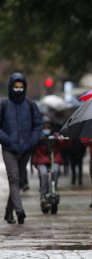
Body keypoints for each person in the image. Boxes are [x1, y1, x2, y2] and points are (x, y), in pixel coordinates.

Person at [0, 72, 42, 224]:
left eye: (21, 86)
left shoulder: (31, 105)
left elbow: (38, 126)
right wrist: (7, 139)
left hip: (25, 149)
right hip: (9, 148)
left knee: (18, 180)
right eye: (15, 86)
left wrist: (31, 141)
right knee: (14, 177)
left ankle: (8, 212)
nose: (18, 89)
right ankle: (19, 211)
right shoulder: (3, 104)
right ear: (11, 87)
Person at [31, 117, 66, 213]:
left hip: (54, 160)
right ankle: (43, 194)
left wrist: (62, 138)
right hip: (41, 160)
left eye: (48, 127)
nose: (46, 129)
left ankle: (53, 190)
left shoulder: (55, 136)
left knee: (55, 171)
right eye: (44, 127)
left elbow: (63, 143)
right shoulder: (38, 136)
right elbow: (32, 145)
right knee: (44, 174)